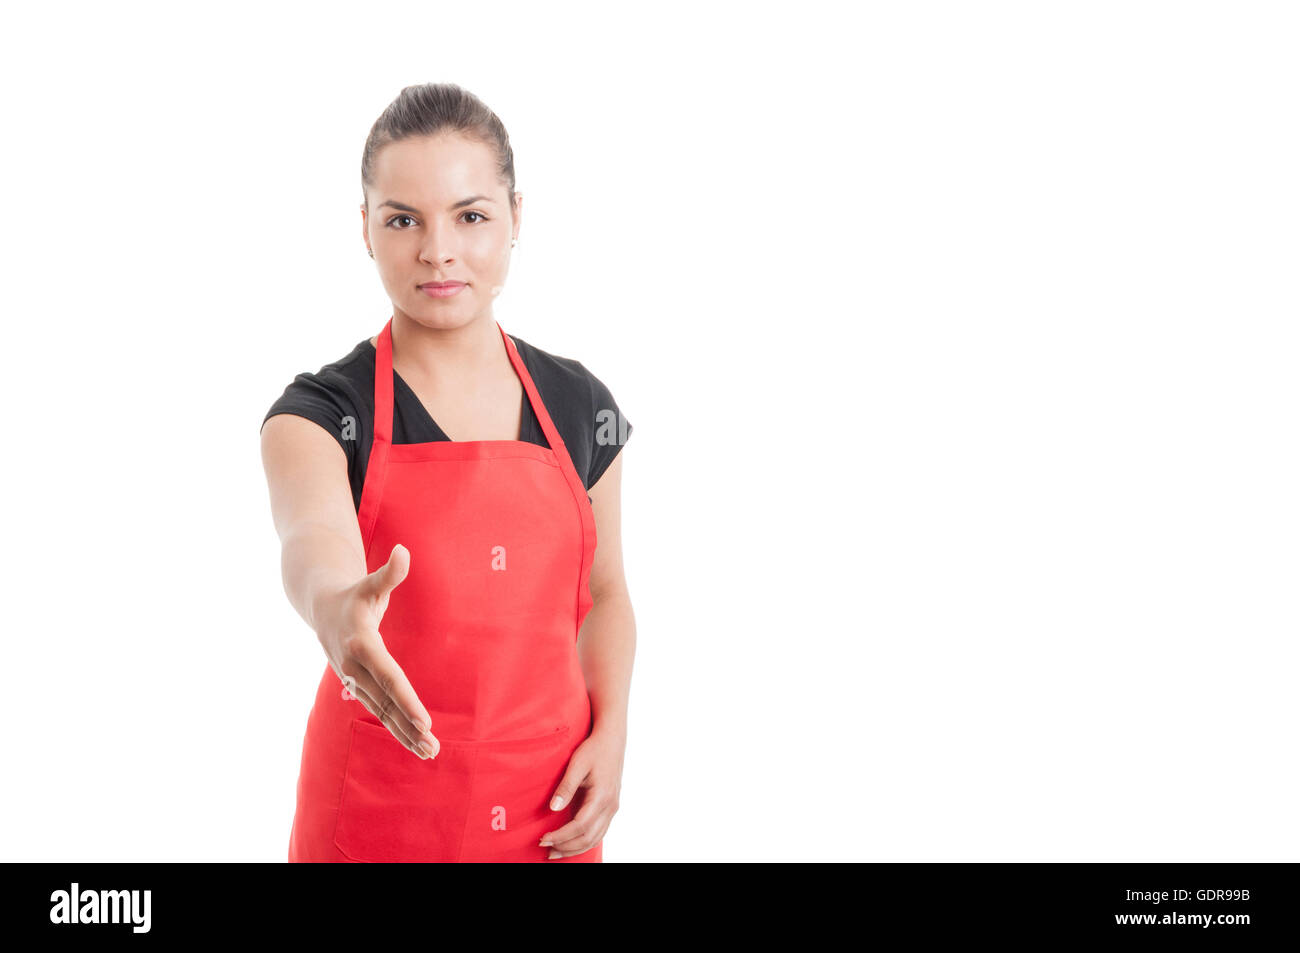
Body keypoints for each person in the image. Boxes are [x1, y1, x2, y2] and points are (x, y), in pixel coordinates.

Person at [259, 83, 635, 862]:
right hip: (375, 813)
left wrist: (614, 733)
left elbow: (603, 592)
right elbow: (313, 538)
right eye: (403, 219)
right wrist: (336, 610)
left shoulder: (581, 405)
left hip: (547, 808)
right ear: (364, 228)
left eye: (470, 215)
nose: (438, 250)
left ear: (515, 218)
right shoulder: (323, 410)